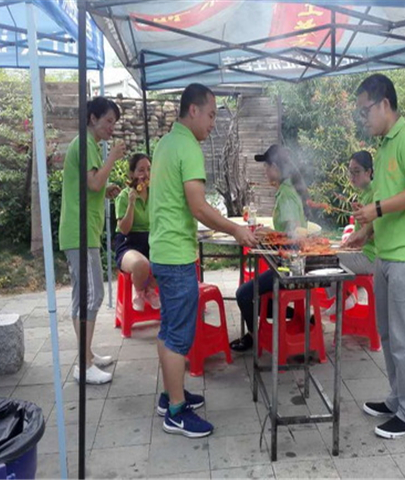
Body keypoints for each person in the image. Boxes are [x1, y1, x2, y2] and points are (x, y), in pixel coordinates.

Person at [149, 83, 256, 438]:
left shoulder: (166, 142)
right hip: (176, 254)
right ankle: (176, 412)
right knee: (178, 335)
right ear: (192, 110)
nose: (213, 123)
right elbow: (198, 206)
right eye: (211, 115)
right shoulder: (188, 147)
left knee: (169, 329)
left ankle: (170, 396)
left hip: (162, 250)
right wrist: (236, 231)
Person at [347, 74, 405, 439]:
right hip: (386, 252)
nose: (363, 119)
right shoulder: (382, 147)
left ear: (384, 104)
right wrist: (366, 230)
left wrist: (376, 210)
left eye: (365, 110)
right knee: (387, 332)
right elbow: (386, 200)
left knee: (404, 336)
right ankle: (398, 398)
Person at [59, 96, 124, 385]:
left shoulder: (89, 145)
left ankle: (87, 355)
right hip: (80, 232)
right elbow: (94, 182)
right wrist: (113, 158)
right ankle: (84, 367)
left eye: (114, 122)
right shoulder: (85, 143)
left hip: (85, 231)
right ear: (92, 118)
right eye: (108, 120)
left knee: (84, 296)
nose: (112, 127)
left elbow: (94, 184)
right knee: (92, 296)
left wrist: (105, 188)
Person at [230, 144, 308, 353]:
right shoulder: (287, 190)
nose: (265, 171)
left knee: (243, 294)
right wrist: (270, 232)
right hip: (288, 263)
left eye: (266, 167)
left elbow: (292, 236)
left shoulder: (287, 195)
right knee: (261, 296)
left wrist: (271, 235)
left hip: (289, 267)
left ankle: (255, 337)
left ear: (274, 167)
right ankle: (300, 318)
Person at [324, 150, 377, 315]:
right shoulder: (367, 193)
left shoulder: (376, 194)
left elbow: (377, 233)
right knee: (329, 252)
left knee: (327, 260)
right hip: (364, 251)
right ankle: (343, 297)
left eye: (357, 172)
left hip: (372, 256)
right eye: (351, 172)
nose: (352, 177)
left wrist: (363, 226)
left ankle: (344, 299)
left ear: (368, 172)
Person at [114, 152, 160, 312]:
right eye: (141, 170)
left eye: (148, 169)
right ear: (132, 174)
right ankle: (140, 291)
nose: (145, 174)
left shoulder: (156, 194)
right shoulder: (124, 196)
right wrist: (131, 203)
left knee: (167, 262)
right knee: (142, 264)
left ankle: (147, 289)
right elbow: (124, 229)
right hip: (129, 244)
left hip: (151, 242)